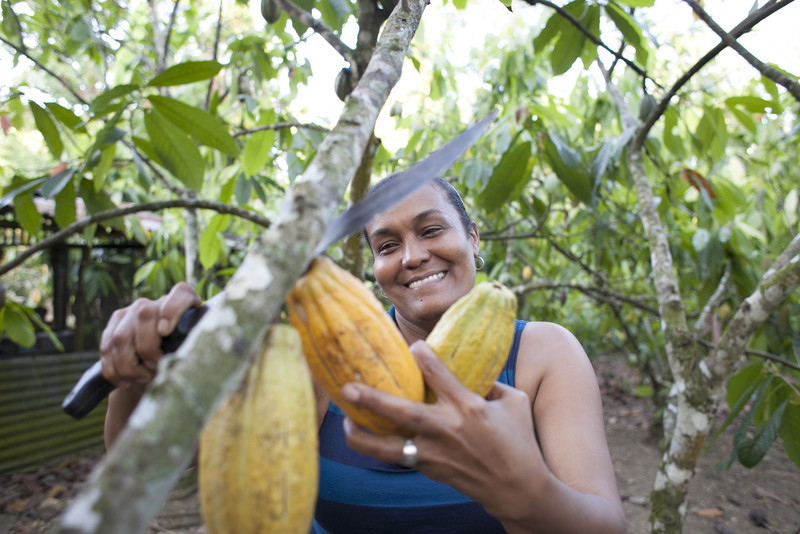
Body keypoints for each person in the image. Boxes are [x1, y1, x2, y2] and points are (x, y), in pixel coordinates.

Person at [100, 177, 627, 533]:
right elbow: (155, 464)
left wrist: (527, 494)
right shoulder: (320, 357)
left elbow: (606, 523)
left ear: (472, 237)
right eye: (387, 245)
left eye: (431, 229)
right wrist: (139, 375)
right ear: (375, 267)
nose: (413, 256)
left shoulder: (543, 352)